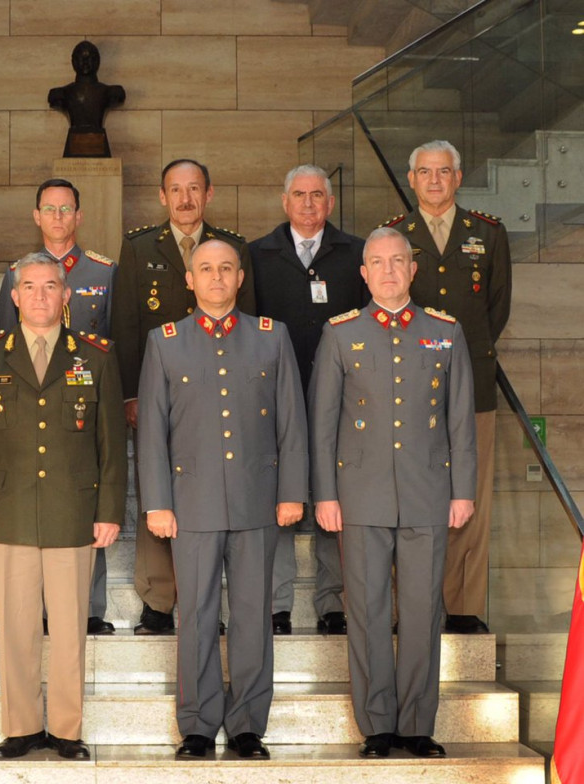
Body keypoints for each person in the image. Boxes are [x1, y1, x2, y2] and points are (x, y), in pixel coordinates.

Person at [309, 227, 476, 759]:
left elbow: (460, 422)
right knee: (368, 609)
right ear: (363, 273)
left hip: (429, 491)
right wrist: (326, 495)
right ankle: (377, 724)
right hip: (360, 494)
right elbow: (323, 424)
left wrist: (463, 490)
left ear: (413, 268)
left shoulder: (445, 332)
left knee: (424, 610)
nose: (387, 270)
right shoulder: (340, 333)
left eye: (397, 261)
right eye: (376, 262)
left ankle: (417, 724)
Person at [137, 239, 307, 760]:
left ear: (239, 278)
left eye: (225, 269)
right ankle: (197, 723)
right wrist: (157, 503)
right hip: (191, 504)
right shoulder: (165, 342)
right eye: (205, 269)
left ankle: (248, 723)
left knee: (255, 615)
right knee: (198, 614)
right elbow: (152, 432)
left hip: (257, 500)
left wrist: (292, 493)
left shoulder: (271, 337)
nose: (215, 278)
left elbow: (291, 423)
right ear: (190, 280)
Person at [0, 253, 126, 761]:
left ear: (66, 295)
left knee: (71, 627)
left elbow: (111, 444)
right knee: (16, 626)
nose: (38, 296)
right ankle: (22, 727)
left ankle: (67, 730)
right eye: (28, 286)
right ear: (13, 295)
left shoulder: (95, 355)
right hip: (8, 508)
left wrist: (111, 510)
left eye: (50, 286)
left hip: (72, 510)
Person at [113, 158, 258, 635]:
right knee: (158, 492)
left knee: (215, 499)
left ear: (208, 193)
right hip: (160, 391)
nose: (185, 199)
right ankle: (158, 600)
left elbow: (249, 326)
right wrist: (132, 394)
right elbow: (128, 325)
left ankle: (208, 604)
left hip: (218, 396)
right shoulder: (138, 247)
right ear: (162, 196)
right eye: (175, 190)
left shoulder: (233, 249)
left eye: (194, 189)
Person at [383, 139, 512, 634]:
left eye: (444, 171)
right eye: (424, 172)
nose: (434, 180)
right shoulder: (394, 235)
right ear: (411, 179)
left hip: (473, 385)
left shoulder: (488, 233)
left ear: (458, 178)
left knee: (469, 499)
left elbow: (495, 309)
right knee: (406, 496)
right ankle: (409, 607)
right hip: (405, 388)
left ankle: (461, 606)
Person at [248, 164, 368, 636]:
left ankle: (331, 603)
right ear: (284, 201)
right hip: (273, 394)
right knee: (279, 497)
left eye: (317, 195)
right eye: (299, 194)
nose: (308, 203)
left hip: (341, 397)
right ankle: (277, 604)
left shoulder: (356, 253)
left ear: (330, 202)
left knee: (331, 496)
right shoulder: (257, 255)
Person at [0, 178, 117, 635]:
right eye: (50, 208)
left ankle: (88, 608)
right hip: (29, 409)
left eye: (67, 209)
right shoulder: (16, 273)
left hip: (83, 397)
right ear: (36, 216)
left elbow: (112, 335)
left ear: (79, 216)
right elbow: (4, 341)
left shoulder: (103, 272)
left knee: (88, 500)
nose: (59, 217)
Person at [48, 40, 126, 157]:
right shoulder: (61, 93)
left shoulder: (110, 92)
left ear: (97, 62)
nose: (85, 62)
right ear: (74, 61)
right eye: (81, 58)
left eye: (89, 58)